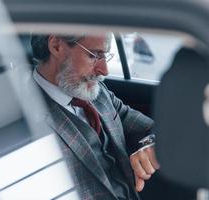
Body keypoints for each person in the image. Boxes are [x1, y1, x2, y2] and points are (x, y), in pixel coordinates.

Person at [30, 33, 160, 200]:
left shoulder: (99, 93)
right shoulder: (25, 117)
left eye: (105, 55)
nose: (104, 70)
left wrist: (151, 146)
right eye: (93, 55)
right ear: (56, 45)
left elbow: (151, 127)